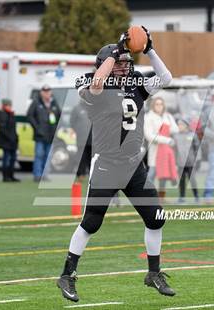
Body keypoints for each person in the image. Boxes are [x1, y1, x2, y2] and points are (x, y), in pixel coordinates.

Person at [57, 26, 175, 303]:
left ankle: (153, 273)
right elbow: (97, 85)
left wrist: (149, 50)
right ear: (105, 64)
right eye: (119, 63)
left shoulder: (136, 85)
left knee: (156, 218)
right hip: (107, 164)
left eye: (126, 63)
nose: (124, 68)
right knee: (91, 222)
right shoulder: (91, 84)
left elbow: (166, 77)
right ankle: (67, 275)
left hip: (133, 164)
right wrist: (117, 51)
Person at [144, 97, 179, 200]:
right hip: (155, 150)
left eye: (161, 104)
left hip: (166, 151)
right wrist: (166, 140)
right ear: (153, 105)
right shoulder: (149, 117)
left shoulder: (167, 116)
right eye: (157, 104)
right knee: (151, 175)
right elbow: (149, 135)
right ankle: (146, 196)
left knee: (163, 175)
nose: (159, 106)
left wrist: (168, 121)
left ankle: (161, 198)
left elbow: (175, 129)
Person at [27, 85, 61, 182]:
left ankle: (45, 175)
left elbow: (59, 116)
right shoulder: (36, 102)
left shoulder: (54, 103)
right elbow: (29, 116)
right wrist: (37, 128)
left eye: (48, 91)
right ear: (41, 93)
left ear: (51, 92)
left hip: (51, 135)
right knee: (39, 155)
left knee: (48, 156)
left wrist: (56, 129)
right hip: (40, 135)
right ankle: (37, 175)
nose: (47, 93)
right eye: (45, 91)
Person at [173, 118, 200, 203]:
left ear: (186, 126)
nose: (179, 126)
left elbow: (197, 148)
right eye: (178, 124)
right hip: (180, 163)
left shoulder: (193, 135)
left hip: (190, 163)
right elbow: (174, 150)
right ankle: (182, 197)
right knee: (181, 181)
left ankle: (196, 197)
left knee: (192, 180)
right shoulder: (176, 136)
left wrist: (197, 159)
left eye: (181, 124)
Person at [0, 99, 20, 182]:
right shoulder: (2, 114)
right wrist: (11, 138)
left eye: (10, 105)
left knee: (13, 158)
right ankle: (5, 177)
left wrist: (16, 137)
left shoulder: (10, 114)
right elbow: (2, 128)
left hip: (12, 141)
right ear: (4, 105)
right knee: (6, 159)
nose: (10, 106)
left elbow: (13, 128)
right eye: (8, 105)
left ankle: (11, 175)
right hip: (6, 141)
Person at [70, 102, 92, 182]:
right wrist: (78, 131)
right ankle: (80, 175)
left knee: (92, 158)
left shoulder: (93, 106)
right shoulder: (77, 108)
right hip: (81, 139)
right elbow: (72, 122)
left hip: (92, 139)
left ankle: (92, 176)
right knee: (81, 158)